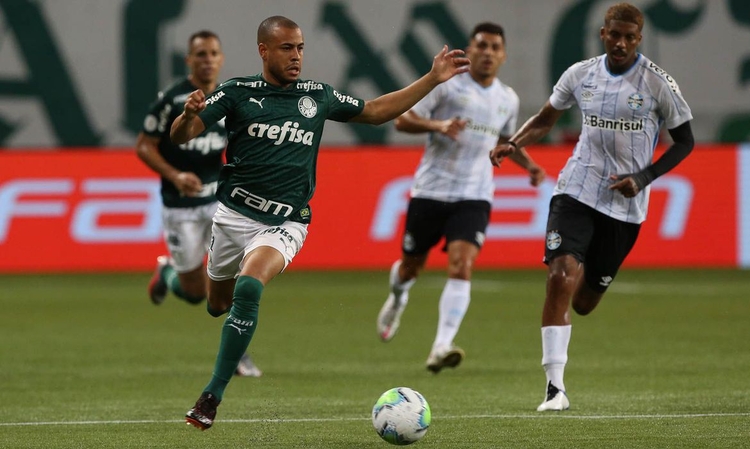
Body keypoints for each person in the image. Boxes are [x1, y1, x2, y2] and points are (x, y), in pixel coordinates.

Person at [170, 16, 470, 430]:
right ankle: (172, 277)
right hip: (234, 216)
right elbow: (180, 136)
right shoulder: (237, 93)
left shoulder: (317, 96)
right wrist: (187, 116)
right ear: (264, 50)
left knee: (250, 285)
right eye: (286, 48)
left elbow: (376, 111)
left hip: (286, 221)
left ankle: (211, 395)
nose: (296, 56)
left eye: (300, 47)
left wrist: (431, 79)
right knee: (216, 304)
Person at [489, 2, 694, 411]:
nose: (620, 43)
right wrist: (515, 143)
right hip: (577, 189)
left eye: (629, 37)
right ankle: (554, 388)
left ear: (639, 40)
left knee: (583, 302)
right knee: (560, 275)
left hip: (625, 206)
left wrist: (643, 178)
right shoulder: (581, 74)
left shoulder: (657, 84)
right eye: (613, 34)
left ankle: (582, 297)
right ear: (603, 33)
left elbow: (685, 141)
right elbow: (547, 119)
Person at [376, 22, 546, 373]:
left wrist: (528, 164)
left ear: (503, 55)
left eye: (494, 47)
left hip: (475, 194)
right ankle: (398, 297)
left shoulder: (507, 98)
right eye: (481, 45)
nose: (487, 52)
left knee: (462, 264)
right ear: (470, 51)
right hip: (431, 191)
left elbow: (504, 140)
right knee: (411, 267)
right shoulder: (447, 86)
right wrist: (438, 126)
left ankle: (441, 345)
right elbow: (402, 121)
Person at [136, 30, 262, 378]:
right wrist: (176, 175)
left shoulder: (229, 97)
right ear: (189, 60)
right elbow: (144, 145)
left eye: (213, 53)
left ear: (221, 59)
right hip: (179, 206)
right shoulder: (172, 100)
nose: (207, 60)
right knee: (195, 293)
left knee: (233, 276)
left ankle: (239, 352)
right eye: (200, 54)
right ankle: (166, 273)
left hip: (220, 202)